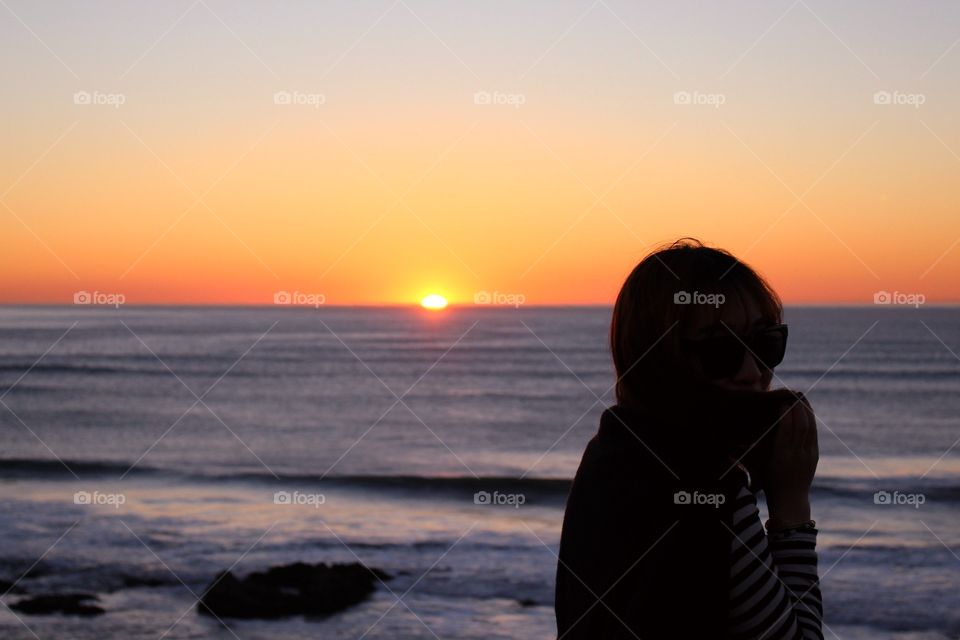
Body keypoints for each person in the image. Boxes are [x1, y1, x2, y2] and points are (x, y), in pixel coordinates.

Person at [555, 238, 823, 639]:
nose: (753, 371)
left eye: (766, 342)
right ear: (659, 359)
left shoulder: (610, 456)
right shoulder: (712, 493)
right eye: (720, 349)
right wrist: (791, 507)